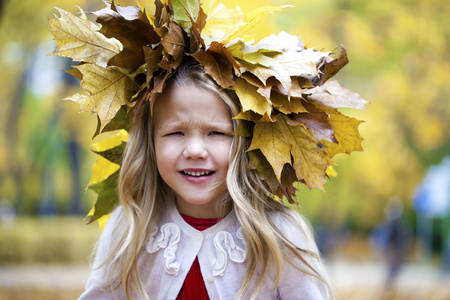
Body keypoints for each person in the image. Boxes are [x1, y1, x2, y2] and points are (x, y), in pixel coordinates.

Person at [78, 58, 334, 299]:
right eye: (176, 133)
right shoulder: (129, 229)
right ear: (151, 142)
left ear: (249, 142)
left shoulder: (279, 236)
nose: (195, 151)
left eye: (216, 133)